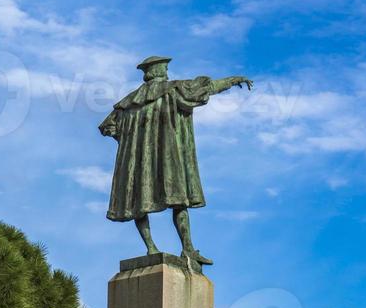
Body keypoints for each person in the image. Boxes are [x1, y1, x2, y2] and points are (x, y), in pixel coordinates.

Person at [99, 56, 253, 267]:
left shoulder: (128, 103)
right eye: (165, 68)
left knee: (138, 202)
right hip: (167, 158)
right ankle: (187, 247)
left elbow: (108, 127)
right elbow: (208, 86)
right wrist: (234, 80)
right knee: (179, 200)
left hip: (139, 162)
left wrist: (132, 142)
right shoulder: (174, 89)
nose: (167, 72)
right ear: (160, 71)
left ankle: (152, 247)